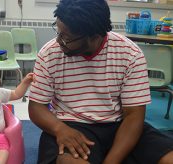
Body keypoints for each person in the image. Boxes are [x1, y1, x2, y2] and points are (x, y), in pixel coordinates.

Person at [28, 0, 173, 164]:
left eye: (66, 38)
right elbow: (36, 106)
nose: (59, 41)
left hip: (120, 125)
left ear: (95, 37)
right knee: (67, 161)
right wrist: (60, 129)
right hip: (72, 125)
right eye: (58, 31)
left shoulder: (130, 54)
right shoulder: (49, 53)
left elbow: (133, 116)